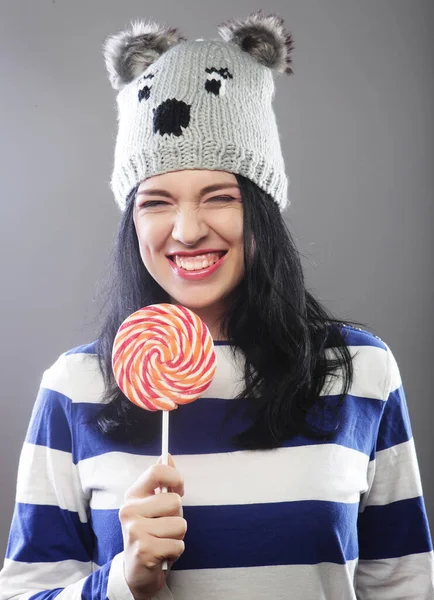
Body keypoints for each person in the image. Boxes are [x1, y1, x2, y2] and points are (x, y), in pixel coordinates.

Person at [0, 11, 432, 600]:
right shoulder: (76, 385)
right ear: (132, 220)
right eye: (155, 200)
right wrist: (125, 582)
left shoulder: (359, 370)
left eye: (220, 196)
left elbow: (403, 583)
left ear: (262, 210)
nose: (186, 229)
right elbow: (26, 591)